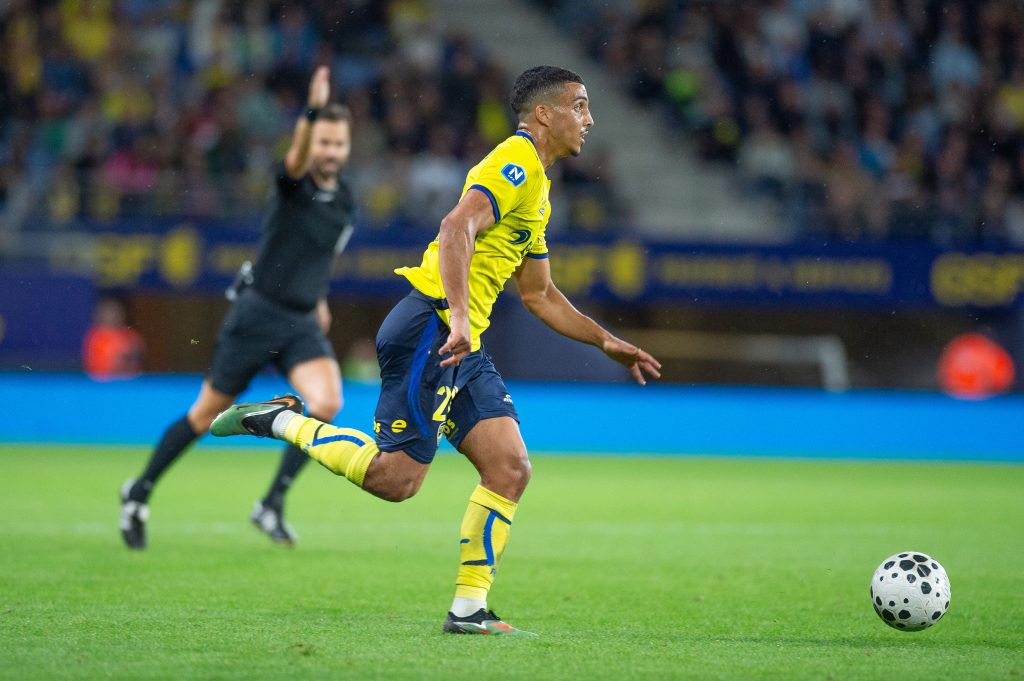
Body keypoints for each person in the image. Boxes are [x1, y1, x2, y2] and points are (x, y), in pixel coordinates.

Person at [209, 66, 661, 635]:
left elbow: (540, 294)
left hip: (457, 340)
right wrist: (460, 315)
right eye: (580, 106)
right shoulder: (514, 164)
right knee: (395, 480)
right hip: (434, 327)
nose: (589, 119)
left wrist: (606, 341)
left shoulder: (539, 190)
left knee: (509, 467)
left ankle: (468, 610)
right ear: (544, 114)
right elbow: (454, 229)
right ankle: (281, 421)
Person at [119, 67, 356, 550]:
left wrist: (321, 301)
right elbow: (294, 157)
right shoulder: (295, 184)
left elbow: (322, 257)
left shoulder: (345, 201)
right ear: (311, 142)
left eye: (338, 144)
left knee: (328, 402)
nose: (330, 152)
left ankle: (271, 504)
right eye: (323, 142)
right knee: (206, 415)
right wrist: (311, 110)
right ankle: (138, 491)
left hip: (300, 320)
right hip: (257, 314)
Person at [82, 296, 144, 380]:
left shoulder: (130, 335)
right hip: (101, 381)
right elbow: (94, 364)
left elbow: (137, 356)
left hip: (126, 381)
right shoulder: (95, 337)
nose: (112, 316)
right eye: (108, 312)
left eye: (116, 312)